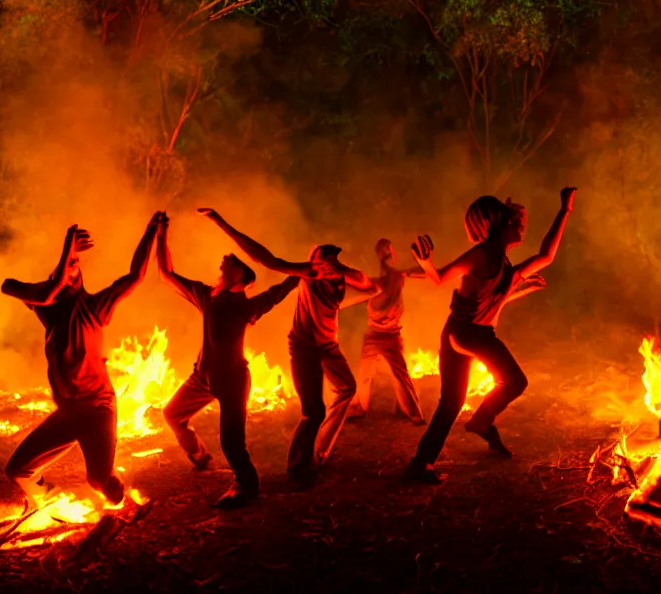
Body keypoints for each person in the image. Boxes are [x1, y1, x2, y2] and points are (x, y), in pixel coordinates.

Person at [403, 188, 577, 484]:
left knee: (452, 402)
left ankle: (422, 464)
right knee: (515, 381)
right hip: (468, 334)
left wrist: (565, 210)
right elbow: (441, 278)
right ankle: (482, 420)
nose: (519, 227)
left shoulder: (505, 265)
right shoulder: (482, 255)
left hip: (461, 336)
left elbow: (545, 256)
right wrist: (426, 264)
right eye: (513, 222)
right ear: (497, 226)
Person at [197, 208, 375, 488]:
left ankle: (320, 451)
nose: (327, 262)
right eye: (322, 257)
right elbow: (267, 259)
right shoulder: (310, 274)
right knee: (313, 411)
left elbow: (367, 283)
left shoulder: (340, 277)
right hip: (305, 348)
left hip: (329, 346)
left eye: (332, 257)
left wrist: (342, 270)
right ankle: (298, 469)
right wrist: (221, 222)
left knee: (347, 389)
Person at [2, 217, 161, 506]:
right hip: (67, 412)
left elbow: (135, 275)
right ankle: (46, 496)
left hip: (97, 408)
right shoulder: (47, 308)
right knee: (16, 471)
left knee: (100, 483)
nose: (68, 271)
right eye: (64, 268)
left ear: (78, 282)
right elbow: (15, 287)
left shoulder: (94, 307)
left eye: (74, 269)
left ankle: (120, 493)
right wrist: (67, 250)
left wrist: (151, 231)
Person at [157, 212, 301, 509]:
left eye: (230, 263)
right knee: (173, 414)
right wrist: (161, 234)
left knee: (232, 444)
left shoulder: (245, 307)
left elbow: (277, 293)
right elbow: (166, 274)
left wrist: (301, 274)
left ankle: (247, 486)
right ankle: (200, 455)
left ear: (243, 280)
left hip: (233, 381)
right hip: (202, 377)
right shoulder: (206, 295)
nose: (223, 262)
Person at [346, 239, 426, 424]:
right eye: (382, 254)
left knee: (401, 375)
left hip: (391, 336)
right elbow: (353, 286)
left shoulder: (398, 277)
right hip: (373, 335)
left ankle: (413, 412)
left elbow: (426, 274)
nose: (386, 257)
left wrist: (411, 270)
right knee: (364, 374)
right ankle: (358, 407)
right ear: (378, 257)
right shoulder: (373, 281)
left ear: (393, 255)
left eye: (388, 253)